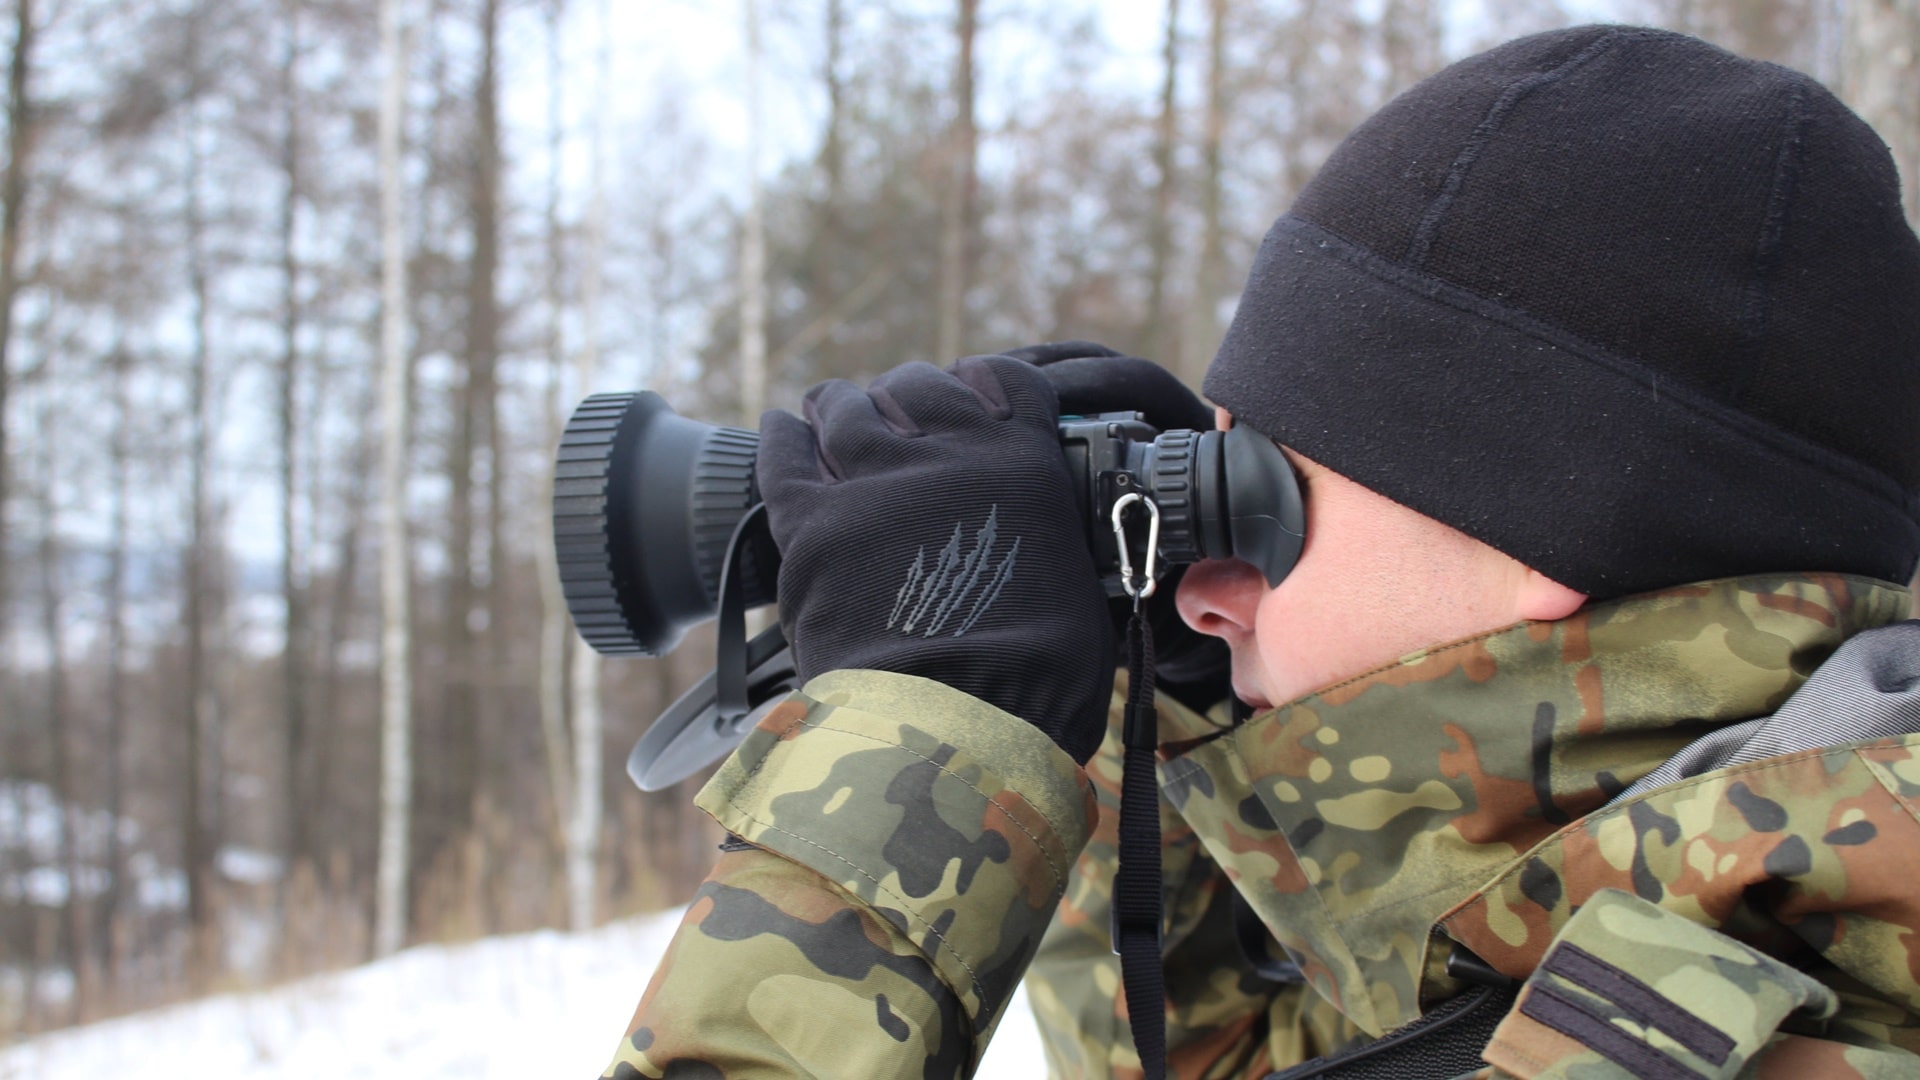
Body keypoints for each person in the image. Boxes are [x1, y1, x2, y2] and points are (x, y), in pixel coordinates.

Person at [601, 24, 1920, 1079]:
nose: (1204, 590)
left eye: (1259, 491)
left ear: (1552, 522)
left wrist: (915, 760)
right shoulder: (1676, 934)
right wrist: (1142, 700)